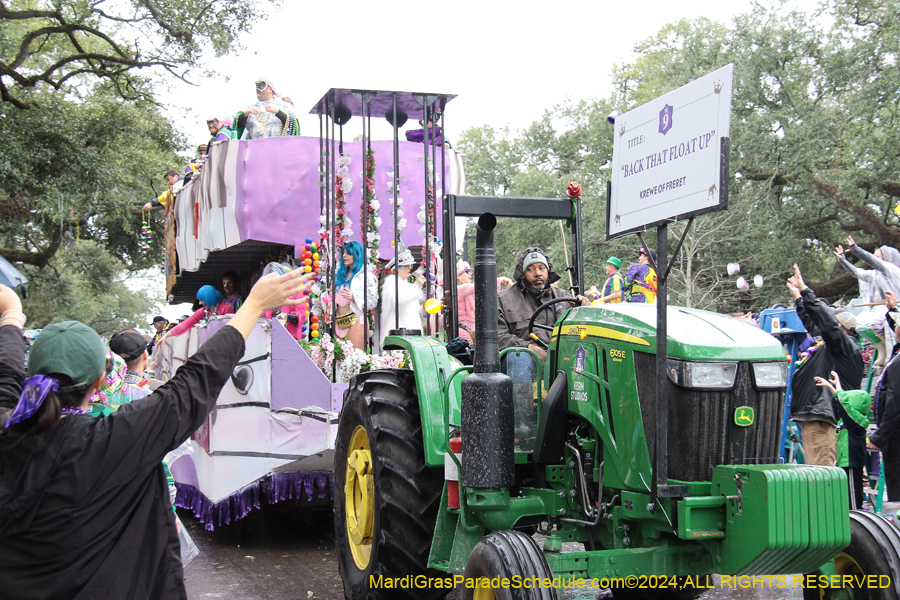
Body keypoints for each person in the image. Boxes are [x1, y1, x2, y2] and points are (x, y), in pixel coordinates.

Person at [0, 272, 311, 599]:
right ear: (99, 382)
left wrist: (11, 315)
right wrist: (255, 304)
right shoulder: (116, 438)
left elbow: (6, 377)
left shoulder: (9, 433)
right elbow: (196, 380)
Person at [786, 263, 864, 467]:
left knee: (822, 476)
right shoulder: (833, 345)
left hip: (823, 419)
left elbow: (825, 324)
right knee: (817, 472)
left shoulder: (844, 347)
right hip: (817, 415)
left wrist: (806, 291)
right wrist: (799, 300)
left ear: (839, 328)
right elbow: (815, 325)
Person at [497, 247, 589, 362]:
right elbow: (498, 336)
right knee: (517, 358)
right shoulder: (504, 300)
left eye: (542, 268)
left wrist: (583, 309)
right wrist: (528, 348)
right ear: (523, 274)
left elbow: (582, 331)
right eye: (530, 269)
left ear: (548, 271)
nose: (537, 273)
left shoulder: (563, 297)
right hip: (525, 359)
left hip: (560, 359)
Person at [814, 370, 869, 509]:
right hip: (843, 461)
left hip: (851, 462)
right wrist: (834, 385)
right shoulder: (848, 419)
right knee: (845, 494)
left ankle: (856, 518)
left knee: (853, 495)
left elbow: (844, 404)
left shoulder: (857, 420)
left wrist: (834, 386)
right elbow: (842, 402)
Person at [332, 241, 378, 350]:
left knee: (354, 357)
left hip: (356, 320)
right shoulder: (339, 275)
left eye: (349, 253)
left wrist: (354, 297)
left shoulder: (366, 276)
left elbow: (372, 302)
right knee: (339, 359)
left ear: (357, 255)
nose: (344, 256)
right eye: (343, 253)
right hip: (338, 321)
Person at [155, 285, 234, 348]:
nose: (200, 303)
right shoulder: (204, 310)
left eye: (202, 300)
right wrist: (166, 335)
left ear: (209, 298)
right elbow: (185, 324)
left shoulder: (225, 308)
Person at [455, 260, 513, 345]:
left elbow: (489, 294)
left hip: (468, 331)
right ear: (459, 276)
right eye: (466, 272)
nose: (470, 274)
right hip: (465, 333)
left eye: (470, 271)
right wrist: (501, 279)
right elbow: (482, 285)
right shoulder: (460, 289)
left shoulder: (466, 293)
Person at [379, 244, 424, 348]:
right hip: (398, 330)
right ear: (398, 268)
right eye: (406, 266)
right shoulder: (391, 282)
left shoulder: (406, 284)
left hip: (410, 331)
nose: (410, 268)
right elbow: (398, 300)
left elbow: (413, 309)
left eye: (410, 266)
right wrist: (416, 286)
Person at [234, 77, 299, 140]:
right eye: (256, 86)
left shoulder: (283, 106)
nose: (257, 89)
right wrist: (245, 113)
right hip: (254, 147)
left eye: (261, 85)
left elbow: (294, 124)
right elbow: (236, 125)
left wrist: (278, 112)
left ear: (270, 89)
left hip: (277, 147)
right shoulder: (249, 106)